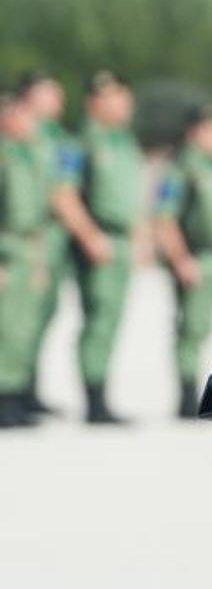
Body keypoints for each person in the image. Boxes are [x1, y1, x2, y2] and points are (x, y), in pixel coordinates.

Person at [154, 104, 212, 418]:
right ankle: (187, 397)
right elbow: (164, 217)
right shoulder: (181, 168)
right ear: (194, 132)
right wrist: (181, 259)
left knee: (202, 327)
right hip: (194, 257)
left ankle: (195, 392)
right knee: (189, 328)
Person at [72, 71, 142, 425]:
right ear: (94, 103)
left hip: (120, 240)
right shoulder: (84, 140)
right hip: (99, 237)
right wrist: (89, 236)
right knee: (99, 320)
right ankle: (94, 400)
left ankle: (101, 395)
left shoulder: (123, 141)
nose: (123, 104)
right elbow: (63, 192)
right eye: (113, 97)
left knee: (111, 319)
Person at [18, 71, 84, 417]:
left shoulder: (60, 139)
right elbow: (62, 195)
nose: (60, 100)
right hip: (24, 239)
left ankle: (24, 390)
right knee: (17, 320)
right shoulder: (18, 136)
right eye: (50, 93)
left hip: (51, 242)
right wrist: (90, 236)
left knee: (38, 317)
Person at [0, 91, 46, 428]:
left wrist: (39, 262)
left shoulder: (25, 156)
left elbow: (36, 216)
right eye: (24, 115)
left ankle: (15, 397)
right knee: (6, 329)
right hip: (7, 250)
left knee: (21, 330)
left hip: (26, 249)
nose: (31, 123)